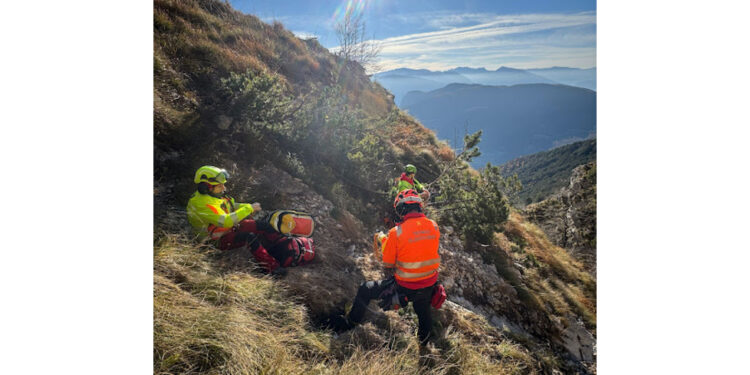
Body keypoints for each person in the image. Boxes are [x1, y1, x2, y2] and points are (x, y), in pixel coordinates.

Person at [335, 189, 441, 346]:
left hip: (405, 285)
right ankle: (424, 344)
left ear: (401, 209)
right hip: (428, 283)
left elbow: (388, 264)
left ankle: (350, 323)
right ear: (419, 207)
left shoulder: (395, 232)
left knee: (365, 289)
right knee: (423, 312)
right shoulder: (434, 225)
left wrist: (386, 244)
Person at [186, 165, 303, 275]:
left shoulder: (214, 196)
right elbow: (226, 221)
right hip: (214, 240)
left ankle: (283, 246)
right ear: (207, 187)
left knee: (263, 225)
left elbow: (232, 206)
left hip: (228, 229)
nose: (224, 187)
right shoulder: (201, 203)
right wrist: (249, 208)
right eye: (220, 185)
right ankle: (272, 268)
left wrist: (248, 206)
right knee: (249, 237)